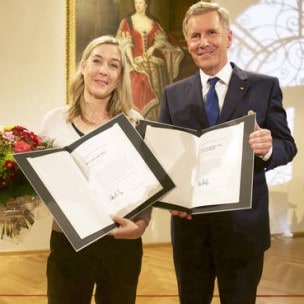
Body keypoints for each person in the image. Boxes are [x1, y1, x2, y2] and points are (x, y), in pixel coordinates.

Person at [159, 1, 297, 303]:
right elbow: (163, 158)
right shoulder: (172, 95)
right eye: (195, 36)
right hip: (190, 231)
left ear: (229, 38)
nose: (203, 42)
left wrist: (268, 147)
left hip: (243, 231)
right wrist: (170, 196)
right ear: (187, 43)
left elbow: (288, 146)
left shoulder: (264, 87)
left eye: (212, 33)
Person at [40, 35, 152, 304]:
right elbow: (41, 177)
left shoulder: (135, 123)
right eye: (97, 61)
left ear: (120, 75)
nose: (104, 70)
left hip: (122, 242)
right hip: (69, 242)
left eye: (114, 65)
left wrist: (141, 225)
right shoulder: (54, 120)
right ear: (83, 66)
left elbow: (148, 185)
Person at [116, 0, 184, 121]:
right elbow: (126, 45)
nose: (137, 5)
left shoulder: (153, 23)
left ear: (146, 5)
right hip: (135, 64)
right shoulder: (127, 22)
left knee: (158, 102)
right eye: (136, 3)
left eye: (140, 3)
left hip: (155, 67)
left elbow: (161, 40)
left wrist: (152, 48)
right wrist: (132, 63)